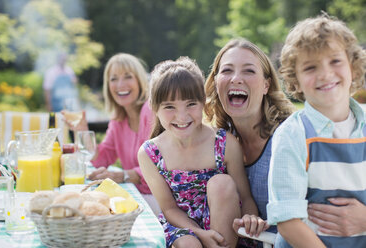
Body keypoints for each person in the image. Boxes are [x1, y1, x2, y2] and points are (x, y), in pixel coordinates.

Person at [138, 57, 266, 248]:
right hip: (181, 226)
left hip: (225, 224)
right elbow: (169, 208)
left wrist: (249, 216)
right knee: (190, 243)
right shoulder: (151, 153)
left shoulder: (224, 143)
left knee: (221, 183)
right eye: (170, 107)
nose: (181, 116)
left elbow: (245, 196)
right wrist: (199, 233)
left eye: (191, 104)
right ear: (155, 108)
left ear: (203, 103)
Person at [267, 14, 366, 247]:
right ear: (296, 81)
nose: (325, 73)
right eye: (310, 67)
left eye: (335, 61)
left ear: (352, 65)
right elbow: (288, 221)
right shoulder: (293, 134)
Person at [204, 38, 295, 242]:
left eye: (249, 71)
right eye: (227, 70)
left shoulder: (289, 136)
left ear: (266, 85)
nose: (236, 78)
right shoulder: (218, 142)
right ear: (216, 81)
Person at [63, 53, 160, 215]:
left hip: (159, 198)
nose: (120, 84)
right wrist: (82, 131)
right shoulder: (118, 120)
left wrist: (123, 175)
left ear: (141, 81)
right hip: (140, 195)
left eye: (128, 77)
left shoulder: (149, 111)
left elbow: (159, 164)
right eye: (113, 79)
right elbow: (101, 158)